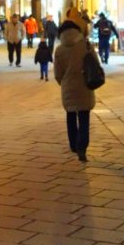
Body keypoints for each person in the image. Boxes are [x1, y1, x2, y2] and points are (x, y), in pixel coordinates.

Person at [54, 8, 96, 162]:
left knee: (71, 116)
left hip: (68, 87)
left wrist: (63, 82)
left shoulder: (59, 49)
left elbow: (57, 73)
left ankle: (73, 144)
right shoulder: (85, 45)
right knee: (84, 118)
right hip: (85, 85)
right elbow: (95, 63)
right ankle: (82, 148)